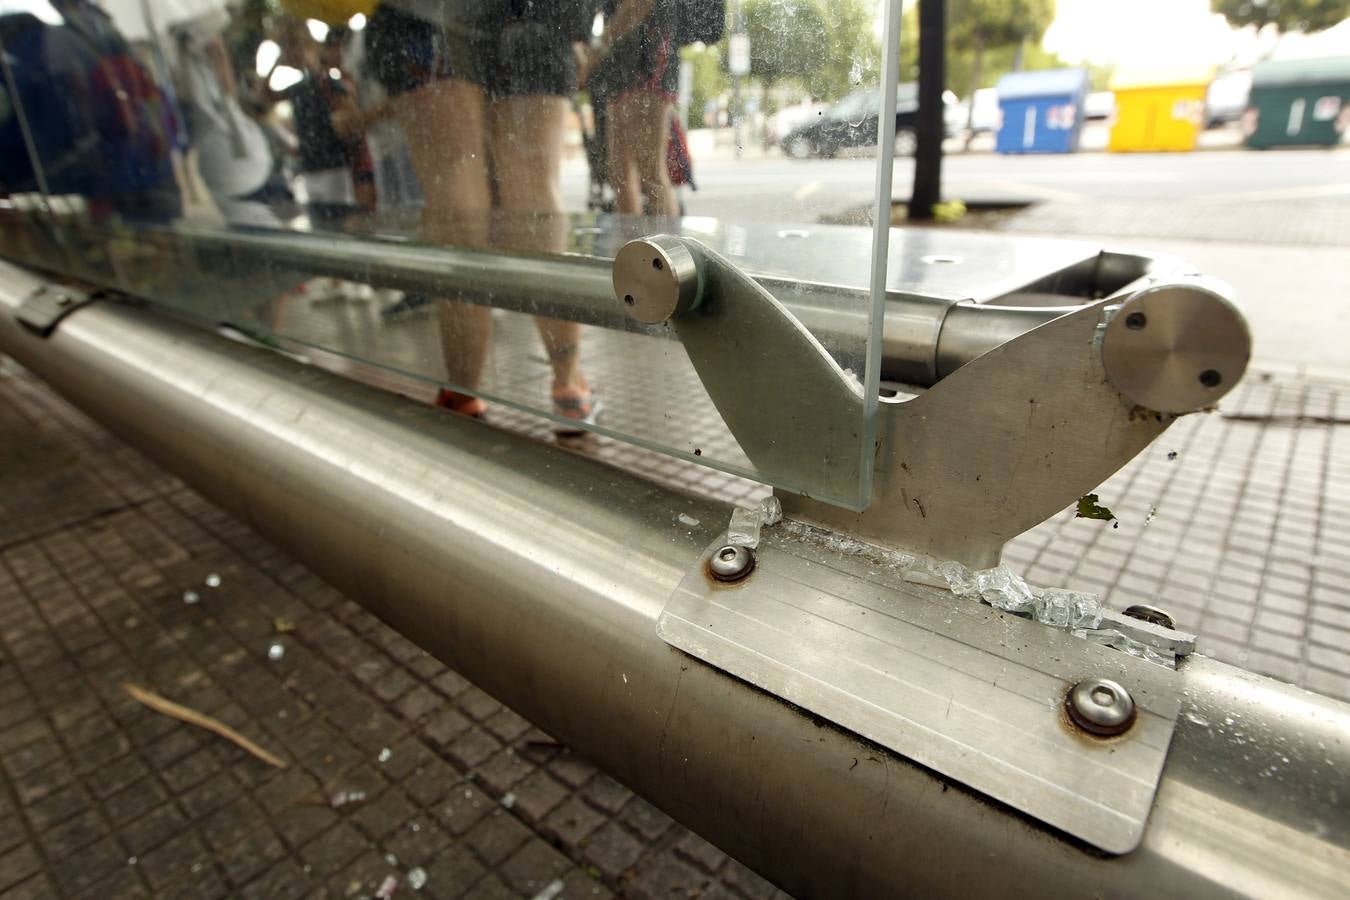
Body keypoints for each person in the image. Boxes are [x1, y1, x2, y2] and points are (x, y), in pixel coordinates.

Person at [364, 1, 599, 431]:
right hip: (534, 13)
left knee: (454, 191)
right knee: (533, 187)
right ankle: (568, 388)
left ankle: (462, 391)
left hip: (425, 13)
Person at [584, 0, 679, 216]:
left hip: (648, 56)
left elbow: (639, 3)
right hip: (621, 62)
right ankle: (631, 244)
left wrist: (598, 47)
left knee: (650, 171)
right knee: (619, 173)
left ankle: (667, 248)